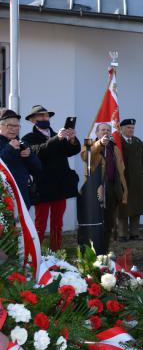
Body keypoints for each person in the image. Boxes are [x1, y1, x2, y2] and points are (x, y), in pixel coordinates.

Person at [21, 105, 80, 250]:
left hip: (60, 185)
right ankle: (36, 253)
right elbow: (39, 151)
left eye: (46, 115)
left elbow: (71, 151)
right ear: (33, 120)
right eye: (40, 116)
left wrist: (72, 139)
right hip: (43, 186)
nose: (44, 118)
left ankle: (56, 251)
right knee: (40, 223)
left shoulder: (56, 134)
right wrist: (56, 138)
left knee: (57, 222)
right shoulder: (29, 138)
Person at [81, 123, 127, 255]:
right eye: (102, 130)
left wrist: (124, 190)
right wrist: (99, 144)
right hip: (96, 188)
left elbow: (121, 169)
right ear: (97, 133)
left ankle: (104, 250)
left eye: (108, 130)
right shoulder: (90, 144)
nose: (105, 132)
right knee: (96, 220)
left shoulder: (114, 148)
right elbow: (85, 156)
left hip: (112, 188)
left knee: (109, 221)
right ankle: (94, 251)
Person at [0, 109, 42, 208]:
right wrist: (9, 149)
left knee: (21, 223)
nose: (14, 129)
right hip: (3, 198)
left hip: (22, 197)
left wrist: (29, 156)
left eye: (17, 126)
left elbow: (38, 168)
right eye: (10, 126)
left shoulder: (23, 143)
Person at [117, 119, 143, 242]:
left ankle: (134, 233)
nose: (131, 130)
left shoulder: (138, 142)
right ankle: (122, 234)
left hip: (137, 181)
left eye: (132, 128)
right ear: (121, 129)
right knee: (123, 207)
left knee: (137, 207)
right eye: (128, 127)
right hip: (123, 180)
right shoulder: (117, 142)